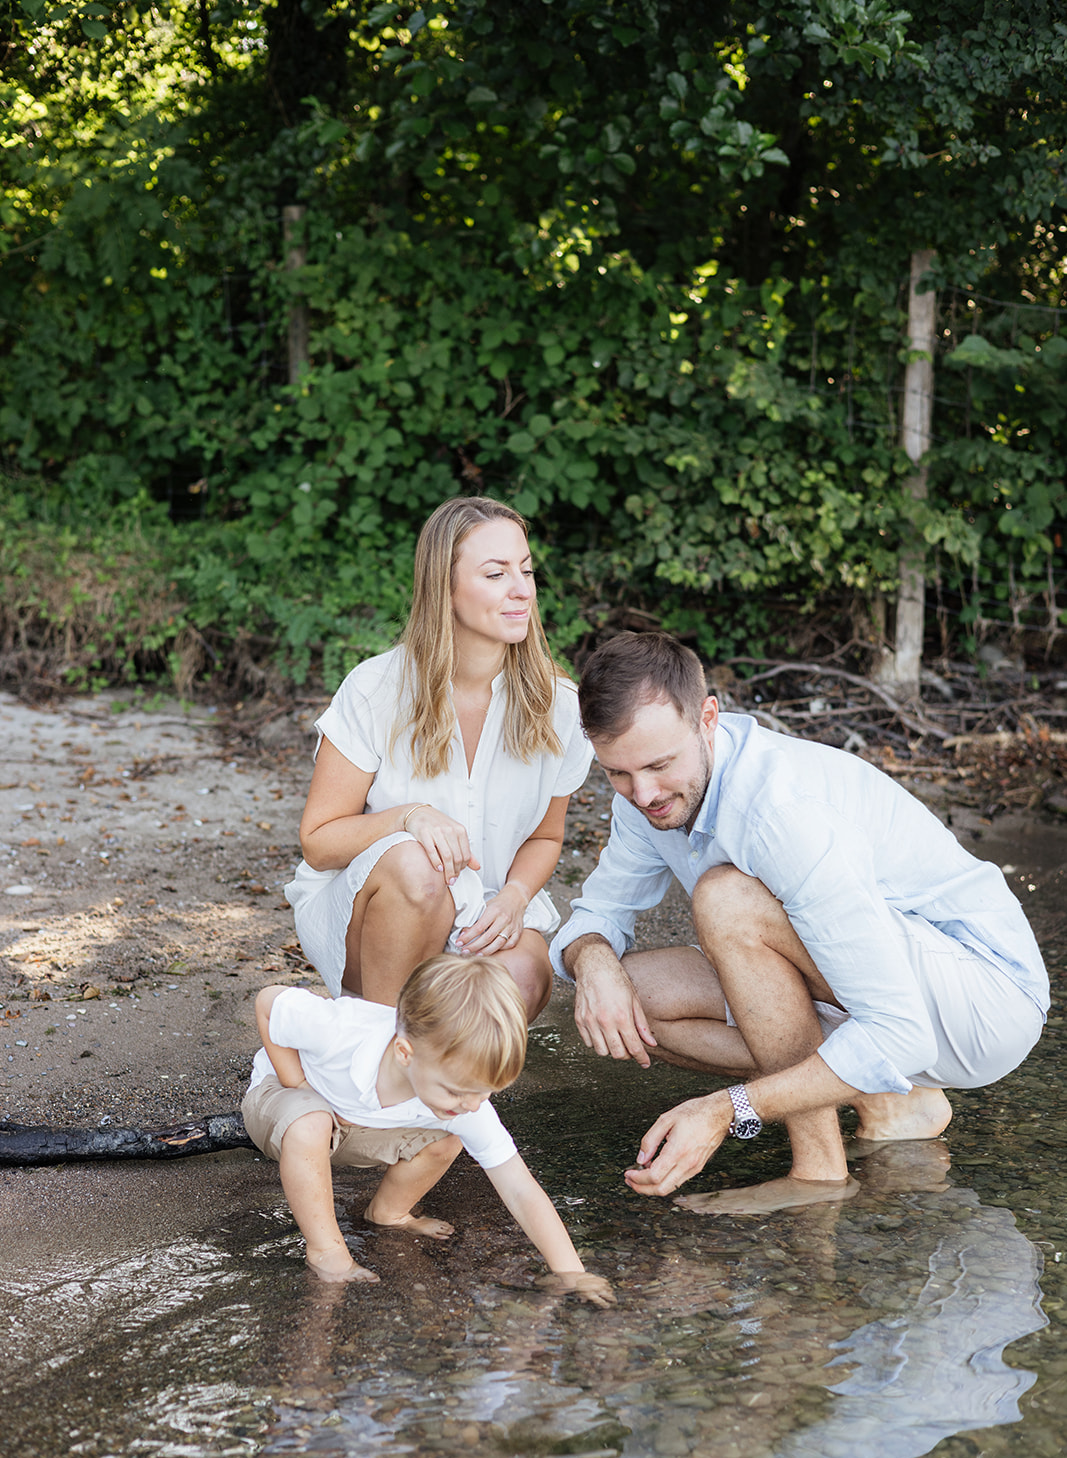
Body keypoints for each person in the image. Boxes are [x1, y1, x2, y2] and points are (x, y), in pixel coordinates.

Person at [550, 631, 1049, 1215]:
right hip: (879, 988)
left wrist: (725, 1109)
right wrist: (592, 961)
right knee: (632, 1000)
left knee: (726, 900)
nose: (644, 793)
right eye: (618, 773)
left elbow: (901, 1031)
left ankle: (819, 1173)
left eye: (660, 765)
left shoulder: (782, 815)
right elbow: (597, 914)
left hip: (985, 999)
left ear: (708, 718)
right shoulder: (645, 795)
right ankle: (891, 1100)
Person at [285, 496, 592, 1019]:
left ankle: (446, 1087)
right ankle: (378, 1052)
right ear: (445, 589)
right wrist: (409, 817)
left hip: (484, 911)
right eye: (496, 574)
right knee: (415, 864)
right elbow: (319, 840)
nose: (522, 590)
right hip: (377, 914)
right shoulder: (376, 688)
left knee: (523, 974)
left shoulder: (558, 705)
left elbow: (546, 836)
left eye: (526, 570)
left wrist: (515, 897)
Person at [244, 952, 614, 1303]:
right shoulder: (342, 1029)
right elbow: (267, 1002)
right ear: (405, 1053)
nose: (471, 1104)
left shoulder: (464, 1102)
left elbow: (520, 1189)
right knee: (311, 1120)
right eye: (457, 1091)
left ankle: (388, 1213)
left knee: (451, 1135)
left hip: (353, 1129)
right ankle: (326, 1251)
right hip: (283, 1109)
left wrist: (571, 1272)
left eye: (484, 1092)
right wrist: (299, 1085)